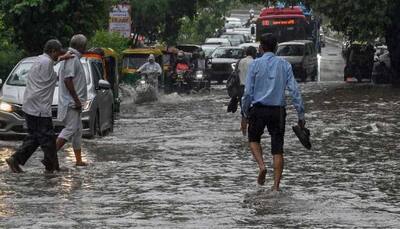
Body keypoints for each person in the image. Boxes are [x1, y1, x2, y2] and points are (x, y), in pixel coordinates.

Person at [241, 34, 306, 191]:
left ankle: (262, 166)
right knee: (278, 148)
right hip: (278, 111)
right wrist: (301, 115)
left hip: (258, 109)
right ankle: (276, 187)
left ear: (261, 48)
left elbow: (248, 92)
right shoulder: (285, 65)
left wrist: (244, 114)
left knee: (253, 139)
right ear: (276, 48)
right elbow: (294, 91)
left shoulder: (254, 65)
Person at [6, 39, 69, 173]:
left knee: (35, 137)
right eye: (57, 52)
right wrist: (62, 61)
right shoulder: (47, 64)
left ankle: (15, 160)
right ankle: (53, 167)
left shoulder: (39, 60)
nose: (58, 55)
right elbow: (54, 74)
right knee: (48, 138)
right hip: (39, 108)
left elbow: (51, 62)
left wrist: (61, 58)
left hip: (30, 105)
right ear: (52, 51)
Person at [56, 34, 88, 166]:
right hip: (72, 102)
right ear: (80, 46)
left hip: (74, 102)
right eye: (85, 45)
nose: (86, 48)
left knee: (77, 130)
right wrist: (76, 100)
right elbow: (67, 80)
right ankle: (50, 154)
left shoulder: (72, 57)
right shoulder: (72, 58)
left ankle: (79, 160)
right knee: (70, 129)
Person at [238, 46, 257, 135]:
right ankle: (251, 134)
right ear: (254, 53)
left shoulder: (240, 61)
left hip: (241, 88)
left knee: (243, 113)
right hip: (252, 89)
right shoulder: (254, 62)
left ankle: (243, 134)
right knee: (253, 112)